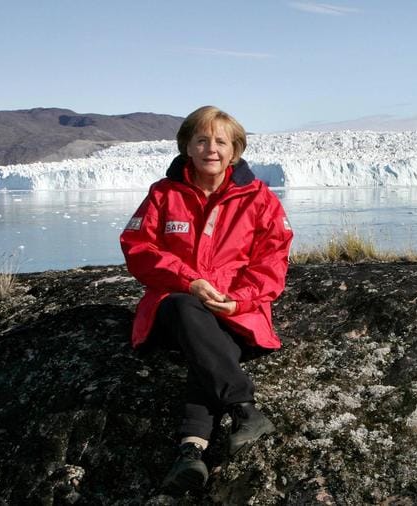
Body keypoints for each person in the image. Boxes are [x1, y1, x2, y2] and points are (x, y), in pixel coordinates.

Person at [119, 105, 293, 494]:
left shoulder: (259, 199)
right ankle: (244, 409)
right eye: (201, 140)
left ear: (235, 150)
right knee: (186, 309)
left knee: (208, 353)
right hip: (176, 308)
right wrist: (188, 280)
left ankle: (190, 451)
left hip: (235, 313)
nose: (210, 149)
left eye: (220, 141)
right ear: (187, 147)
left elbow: (273, 259)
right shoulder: (163, 195)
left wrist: (239, 301)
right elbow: (137, 246)